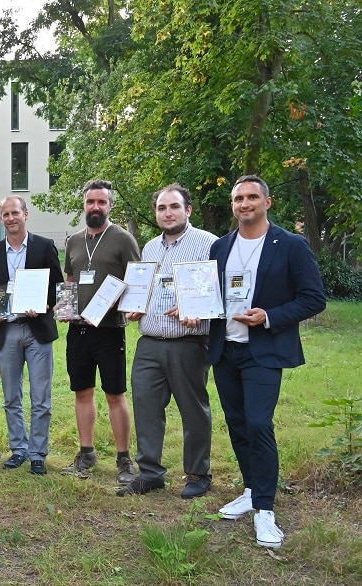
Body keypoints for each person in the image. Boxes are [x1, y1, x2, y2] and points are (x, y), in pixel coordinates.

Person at [206, 175, 325, 548]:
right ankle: (250, 488)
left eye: (252, 197)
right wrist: (192, 308)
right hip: (225, 350)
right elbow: (210, 295)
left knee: (259, 424)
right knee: (238, 424)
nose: (245, 204)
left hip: (263, 351)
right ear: (233, 205)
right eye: (238, 198)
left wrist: (269, 316)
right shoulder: (221, 247)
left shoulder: (290, 245)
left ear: (267, 203)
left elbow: (313, 298)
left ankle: (265, 509)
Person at [116, 184, 217, 498]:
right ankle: (150, 473)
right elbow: (142, 289)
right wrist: (134, 307)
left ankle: (198, 473)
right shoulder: (149, 248)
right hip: (149, 341)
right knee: (146, 406)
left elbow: (215, 291)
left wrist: (197, 309)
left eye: (174, 207)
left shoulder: (208, 244)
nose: (167, 213)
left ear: (187, 210)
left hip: (188, 342)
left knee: (193, 411)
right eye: (162, 208)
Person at [60, 179, 141, 484]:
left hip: (109, 330)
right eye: (90, 202)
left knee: (115, 394)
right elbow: (70, 276)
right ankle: (87, 453)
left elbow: (137, 280)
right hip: (79, 330)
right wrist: (66, 307)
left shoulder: (123, 239)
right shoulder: (74, 241)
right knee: (82, 392)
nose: (95, 207)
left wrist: (122, 304)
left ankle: (124, 459)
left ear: (110, 205)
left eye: (101, 202)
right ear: (84, 205)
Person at [0, 196, 63, 475]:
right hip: (6, 332)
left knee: (41, 398)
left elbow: (57, 286)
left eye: (15, 213)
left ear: (25, 214)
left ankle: (38, 453)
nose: (11, 218)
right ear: (1, 218)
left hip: (37, 329)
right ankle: (19, 449)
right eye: (5, 214)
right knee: (11, 397)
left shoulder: (44, 246)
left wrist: (43, 305)